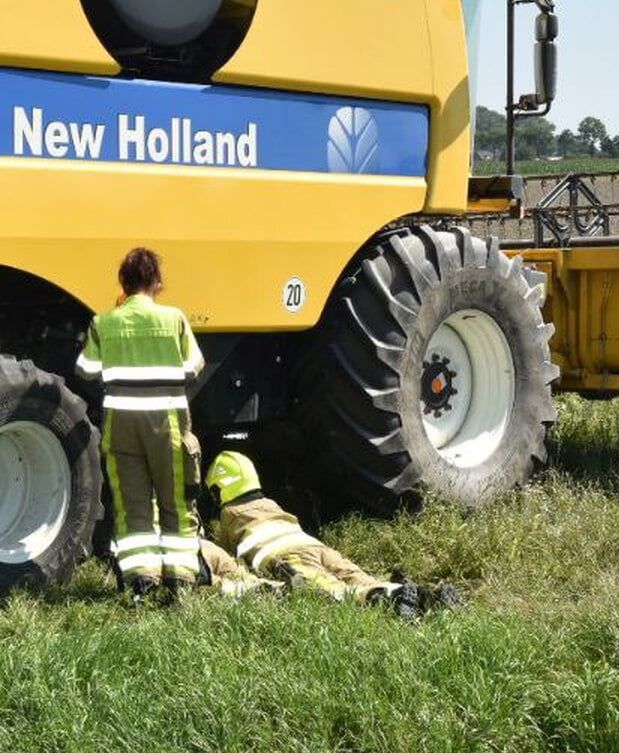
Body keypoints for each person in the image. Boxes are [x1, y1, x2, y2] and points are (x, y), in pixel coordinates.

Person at [77, 247, 206, 601]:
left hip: (121, 425)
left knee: (132, 504)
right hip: (167, 425)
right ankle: (179, 582)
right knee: (176, 502)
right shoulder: (174, 319)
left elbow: (85, 369)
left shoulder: (104, 323)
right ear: (157, 282)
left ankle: (141, 580)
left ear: (123, 282)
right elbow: (194, 366)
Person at [201, 450, 462, 621]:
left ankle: (384, 599)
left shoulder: (228, 515)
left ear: (218, 489)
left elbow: (226, 560)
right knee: (357, 576)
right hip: (315, 546)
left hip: (285, 557)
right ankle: (420, 594)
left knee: (332, 592)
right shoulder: (271, 503)